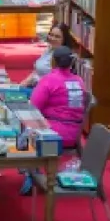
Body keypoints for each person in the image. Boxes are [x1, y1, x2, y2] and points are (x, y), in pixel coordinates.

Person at [21, 46, 89, 196]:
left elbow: (33, 108)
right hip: (73, 136)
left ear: (53, 62)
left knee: (23, 129)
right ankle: (31, 171)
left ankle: (30, 173)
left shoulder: (49, 81)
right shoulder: (79, 81)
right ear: (71, 63)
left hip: (53, 137)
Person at [21, 23, 74, 88]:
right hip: (34, 85)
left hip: (45, 90)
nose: (52, 38)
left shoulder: (62, 57)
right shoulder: (49, 49)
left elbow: (56, 82)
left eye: (57, 37)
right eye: (51, 35)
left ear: (64, 39)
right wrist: (23, 84)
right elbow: (36, 72)